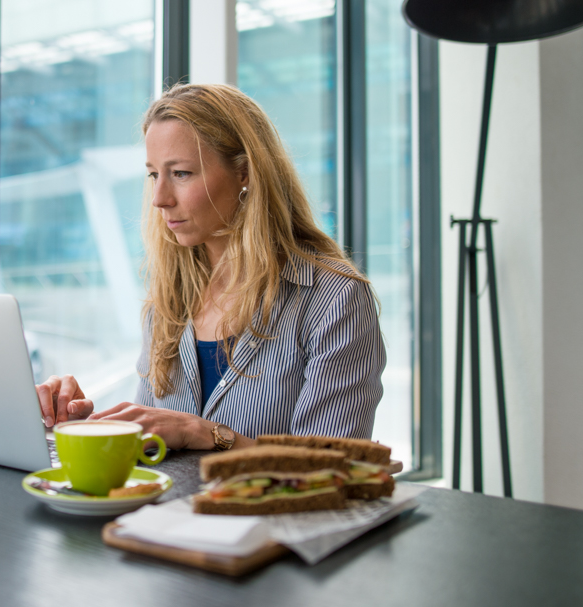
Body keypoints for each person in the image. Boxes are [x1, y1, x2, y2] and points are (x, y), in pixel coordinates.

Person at [36, 83, 385, 452]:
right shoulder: (168, 301)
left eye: (182, 173)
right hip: (165, 510)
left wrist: (205, 434)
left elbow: (330, 467)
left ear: (245, 173)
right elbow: (154, 441)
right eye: (154, 174)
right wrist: (84, 426)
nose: (159, 199)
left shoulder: (335, 300)